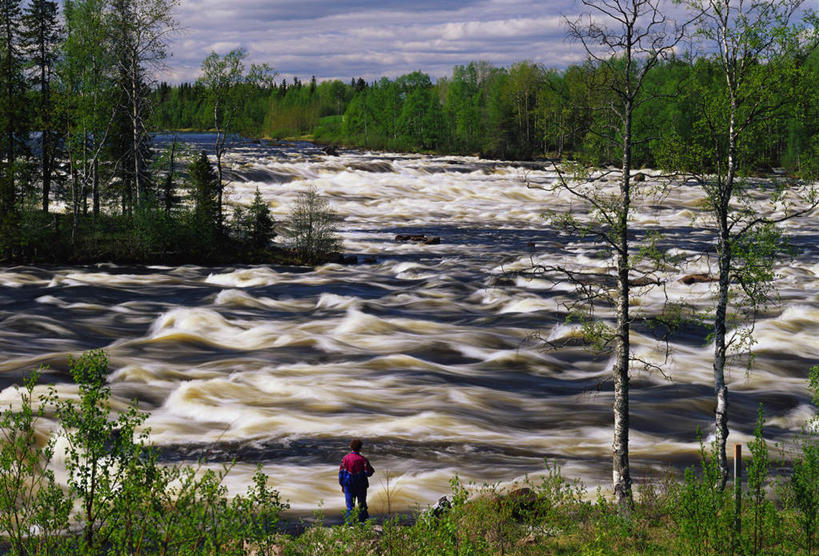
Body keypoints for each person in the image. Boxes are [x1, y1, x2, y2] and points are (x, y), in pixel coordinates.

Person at [338, 438, 375, 522]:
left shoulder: (345, 458)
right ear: (360, 448)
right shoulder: (363, 460)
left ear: (351, 447)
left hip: (348, 485)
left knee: (350, 506)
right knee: (362, 505)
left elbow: (341, 473)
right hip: (361, 485)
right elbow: (368, 473)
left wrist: (342, 485)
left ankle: (350, 523)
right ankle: (363, 522)